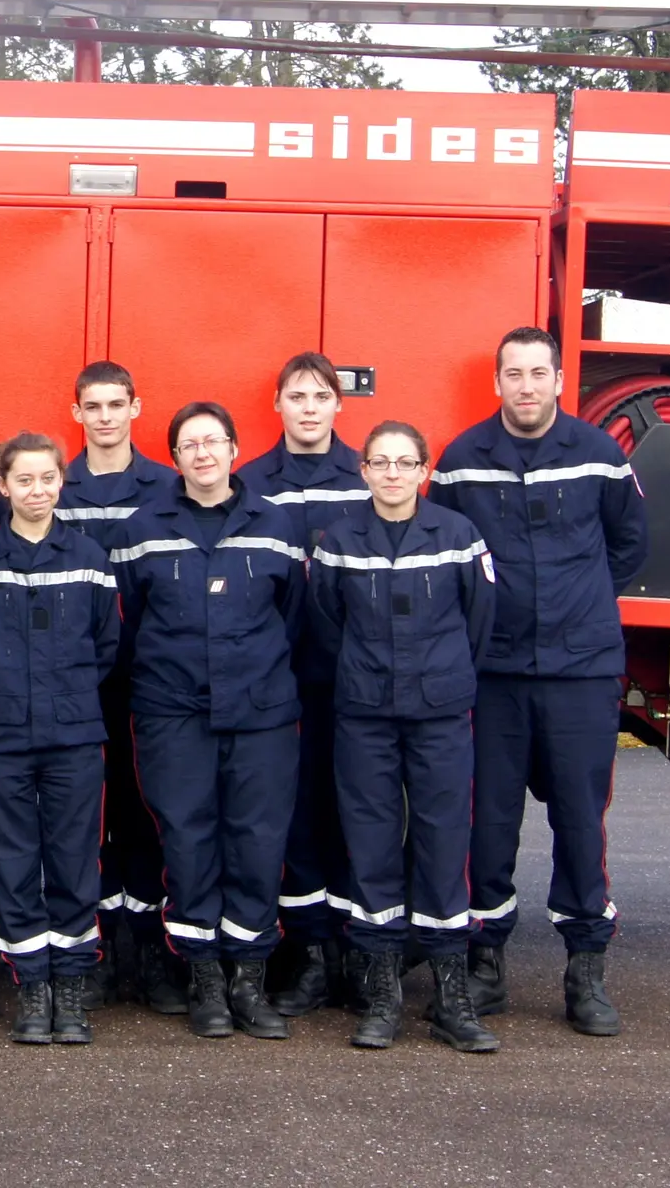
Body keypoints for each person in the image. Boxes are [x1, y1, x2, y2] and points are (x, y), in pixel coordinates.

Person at [429, 326, 648, 1036]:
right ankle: (486, 962)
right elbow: (443, 558)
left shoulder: (597, 455)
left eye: (537, 373)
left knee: (580, 823)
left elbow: (629, 543)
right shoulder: (463, 461)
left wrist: (579, 606)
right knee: (487, 825)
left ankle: (586, 969)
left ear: (559, 382)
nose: (525, 386)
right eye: (513, 374)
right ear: (497, 384)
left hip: (580, 671)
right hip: (492, 675)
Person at [110, 403, 304, 1041]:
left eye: (212, 442)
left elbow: (298, 617)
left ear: (234, 448)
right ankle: (205, 983)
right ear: (174, 459)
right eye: (188, 445)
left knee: (257, 842)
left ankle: (248, 980)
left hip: (261, 715)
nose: (202, 454)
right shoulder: (143, 528)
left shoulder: (276, 525)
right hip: (174, 714)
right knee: (188, 843)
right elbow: (127, 622)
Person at [309, 421, 499, 1052]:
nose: (392, 474)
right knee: (371, 847)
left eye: (405, 463)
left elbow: (478, 622)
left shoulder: (458, 536)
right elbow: (325, 624)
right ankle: (382, 992)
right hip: (364, 713)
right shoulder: (339, 540)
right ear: (362, 471)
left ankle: (451, 995)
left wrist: (439, 677)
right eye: (380, 463)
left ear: (424, 472)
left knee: (445, 843)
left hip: (440, 712)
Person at [0, 433, 119, 1046]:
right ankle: (32, 986)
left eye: (48, 479)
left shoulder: (91, 559)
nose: (37, 490)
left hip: (72, 736)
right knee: (14, 863)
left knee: (74, 860)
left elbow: (106, 648)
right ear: (2, 486)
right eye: (25, 480)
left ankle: (69, 987)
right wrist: (3, 694)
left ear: (61, 481)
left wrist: (61, 697)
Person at [242, 352, 371, 1018]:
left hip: (356, 680)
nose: (310, 407)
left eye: (322, 396)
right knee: (293, 820)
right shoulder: (250, 482)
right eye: (297, 395)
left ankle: (356, 952)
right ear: (278, 404)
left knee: (356, 813)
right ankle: (309, 954)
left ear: (339, 406)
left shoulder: (367, 476)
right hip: (281, 680)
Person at [55, 361, 181, 1013]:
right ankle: (97, 952)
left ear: (137, 408)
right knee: (85, 823)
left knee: (146, 816)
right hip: (76, 685)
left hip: (152, 681)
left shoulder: (166, 488)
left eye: (115, 405)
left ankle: (154, 954)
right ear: (76, 414)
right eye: (92, 407)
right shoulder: (56, 487)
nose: (104, 417)